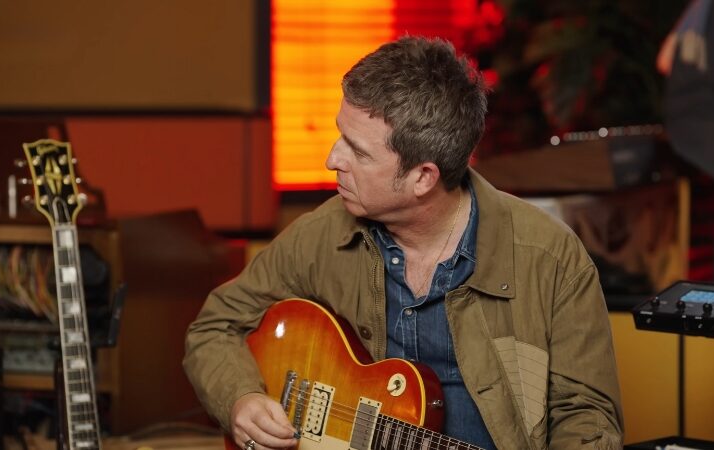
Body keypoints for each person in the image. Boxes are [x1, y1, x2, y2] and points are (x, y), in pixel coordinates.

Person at [184, 36, 623, 450]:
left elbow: (588, 418)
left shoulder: (551, 258)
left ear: (422, 178)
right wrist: (240, 399)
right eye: (341, 136)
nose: (332, 159)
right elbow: (215, 327)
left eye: (357, 151)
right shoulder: (322, 234)